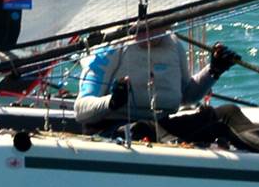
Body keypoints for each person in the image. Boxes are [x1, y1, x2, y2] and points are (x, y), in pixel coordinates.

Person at [73, 31, 240, 128]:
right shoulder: (108, 50)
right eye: (143, 26)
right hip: (118, 130)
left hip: (162, 125)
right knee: (148, 129)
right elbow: (80, 110)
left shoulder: (173, 45)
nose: (148, 32)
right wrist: (112, 101)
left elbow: (186, 96)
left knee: (228, 112)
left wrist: (214, 71)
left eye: (155, 25)